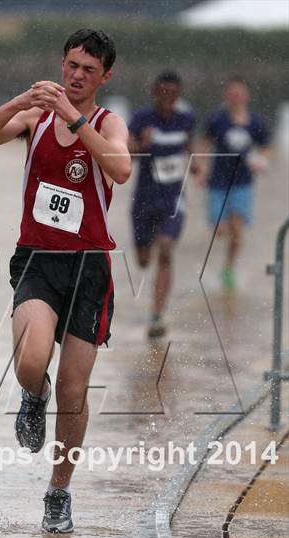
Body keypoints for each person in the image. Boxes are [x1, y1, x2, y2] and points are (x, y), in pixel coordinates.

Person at [0, 29, 131, 533]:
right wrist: (20, 100)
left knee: (74, 392)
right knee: (33, 360)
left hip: (89, 268)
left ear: (105, 77)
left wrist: (77, 121)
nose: (77, 77)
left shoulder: (106, 122)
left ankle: (58, 492)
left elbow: (120, 169)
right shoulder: (33, 119)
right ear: (61, 63)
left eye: (88, 71)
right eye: (71, 66)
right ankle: (32, 397)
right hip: (36, 259)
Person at [128, 71, 197, 338]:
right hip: (144, 198)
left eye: (173, 94)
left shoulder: (186, 119)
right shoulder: (140, 119)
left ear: (179, 95)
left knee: (166, 248)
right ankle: (146, 260)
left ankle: (157, 314)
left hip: (173, 198)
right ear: (155, 93)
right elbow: (126, 155)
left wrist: (197, 163)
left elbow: (189, 143)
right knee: (144, 260)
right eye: (163, 93)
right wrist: (141, 146)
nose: (168, 98)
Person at [198, 75, 270, 290]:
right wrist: (201, 169)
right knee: (219, 230)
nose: (236, 96)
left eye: (240, 92)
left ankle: (228, 268)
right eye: (232, 92)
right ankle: (225, 235)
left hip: (243, 183)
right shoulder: (217, 120)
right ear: (226, 95)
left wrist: (262, 161)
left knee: (238, 228)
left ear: (246, 95)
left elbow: (266, 147)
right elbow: (204, 144)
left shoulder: (256, 122)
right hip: (217, 183)